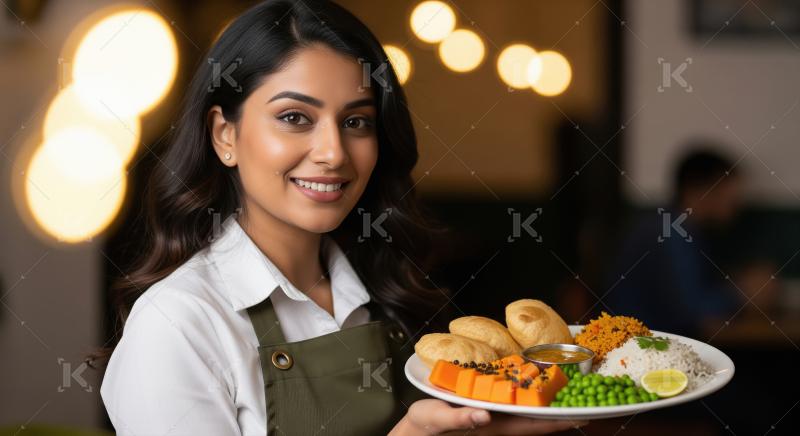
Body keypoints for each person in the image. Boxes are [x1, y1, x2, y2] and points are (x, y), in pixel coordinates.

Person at [97, 1, 585, 434]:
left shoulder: (385, 287)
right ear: (225, 135)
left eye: (356, 122)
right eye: (294, 117)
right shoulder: (178, 325)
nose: (333, 153)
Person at [607, 147, 774, 337]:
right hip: (638, 350)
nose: (736, 201)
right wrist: (744, 293)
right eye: (730, 191)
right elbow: (691, 311)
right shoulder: (670, 233)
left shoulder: (675, 227)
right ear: (702, 189)